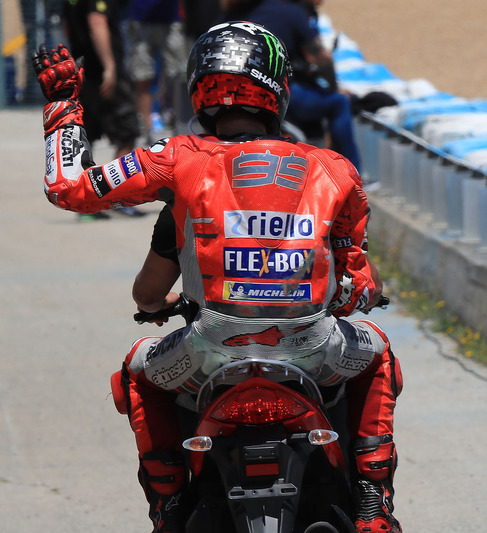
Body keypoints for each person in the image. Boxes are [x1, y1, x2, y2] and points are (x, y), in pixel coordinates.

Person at [32, 21, 402, 533]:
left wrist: (63, 105)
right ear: (279, 90)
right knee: (378, 352)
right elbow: (359, 280)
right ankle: (372, 501)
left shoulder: (175, 157)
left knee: (138, 370)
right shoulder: (336, 169)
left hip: (209, 351)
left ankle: (167, 504)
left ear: (198, 89)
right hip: (313, 348)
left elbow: (68, 188)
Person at [223, 0, 362, 171]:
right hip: (281, 94)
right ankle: (352, 173)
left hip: (232, 93)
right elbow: (322, 57)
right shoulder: (291, 12)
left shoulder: (233, 14)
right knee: (340, 102)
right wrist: (334, 87)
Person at [61, 0, 145, 219]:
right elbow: (96, 22)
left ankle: (84, 205)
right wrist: (109, 66)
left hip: (82, 72)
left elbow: (66, 26)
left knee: (86, 138)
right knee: (127, 134)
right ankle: (120, 198)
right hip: (102, 76)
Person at [124, 0, 188, 142]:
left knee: (180, 75)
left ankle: (180, 123)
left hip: (171, 19)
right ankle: (147, 129)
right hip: (140, 19)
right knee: (142, 76)